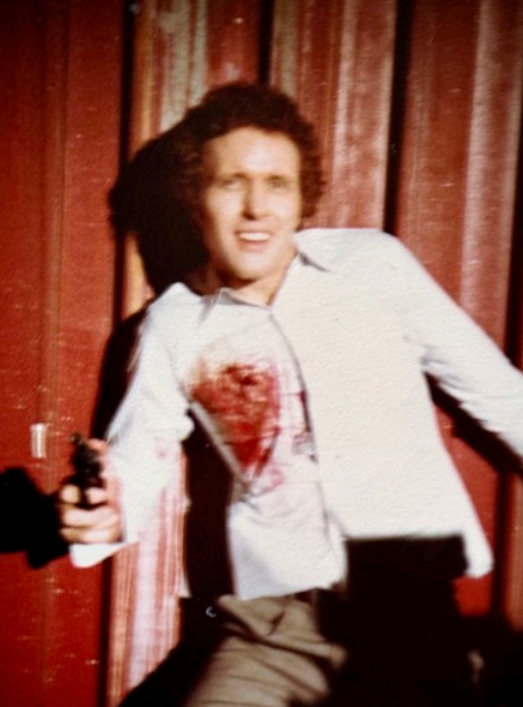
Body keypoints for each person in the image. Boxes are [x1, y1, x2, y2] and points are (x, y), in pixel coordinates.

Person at [58, 83, 523, 707]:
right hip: (269, 633)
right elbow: (134, 469)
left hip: (408, 621)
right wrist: (103, 517)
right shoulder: (174, 325)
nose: (256, 208)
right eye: (232, 184)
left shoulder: (374, 267)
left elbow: (499, 395)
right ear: (195, 200)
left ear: (302, 199)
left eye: (277, 184)